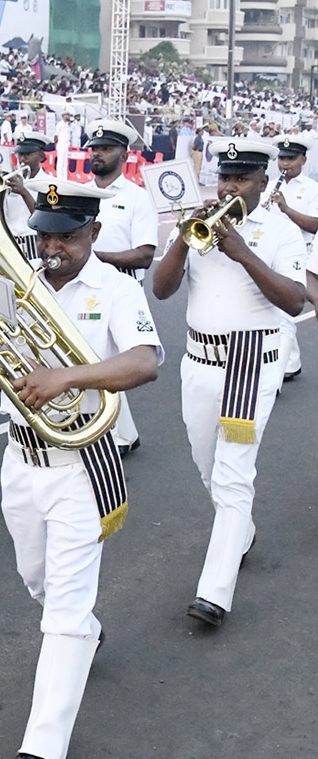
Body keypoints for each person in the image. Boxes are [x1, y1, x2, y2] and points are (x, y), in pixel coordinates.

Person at [0, 178, 163, 759]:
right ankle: (83, 634)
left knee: (65, 608)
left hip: (83, 462)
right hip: (21, 460)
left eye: (66, 237)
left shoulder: (117, 289)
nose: (51, 249)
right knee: (38, 582)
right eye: (43, 237)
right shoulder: (15, 285)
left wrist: (66, 376)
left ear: (93, 233)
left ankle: (42, 744)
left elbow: (145, 362)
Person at [151, 138, 307, 628]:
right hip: (199, 359)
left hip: (250, 361)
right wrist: (183, 238)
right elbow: (161, 289)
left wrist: (242, 253)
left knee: (234, 474)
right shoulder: (199, 226)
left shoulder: (281, 231)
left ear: (263, 182)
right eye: (225, 178)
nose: (230, 187)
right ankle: (241, 530)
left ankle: (214, 592)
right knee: (207, 466)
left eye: (241, 179)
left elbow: (294, 301)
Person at [83, 119, 159, 456]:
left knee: (110, 361)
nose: (97, 154)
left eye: (106, 148)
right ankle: (124, 434)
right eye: (94, 148)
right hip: (85, 286)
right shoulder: (81, 194)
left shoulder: (138, 198)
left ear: (124, 155)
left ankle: (114, 433)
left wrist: (93, 258)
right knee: (95, 357)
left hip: (123, 289)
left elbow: (144, 255)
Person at [268, 134, 318, 381]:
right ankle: (292, 362)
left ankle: (274, 379)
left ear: (303, 160)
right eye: (282, 159)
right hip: (271, 253)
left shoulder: (313, 189)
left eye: (291, 159)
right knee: (273, 309)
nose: (285, 164)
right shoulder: (269, 185)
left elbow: (315, 225)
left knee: (286, 314)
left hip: (300, 255)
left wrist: (286, 208)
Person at [2, 129, 55, 261]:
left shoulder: (50, 184)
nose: (22, 159)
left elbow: (45, 220)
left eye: (28, 154)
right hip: (10, 241)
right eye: (20, 154)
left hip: (34, 243)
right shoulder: (12, 179)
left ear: (41, 156)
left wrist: (24, 192)